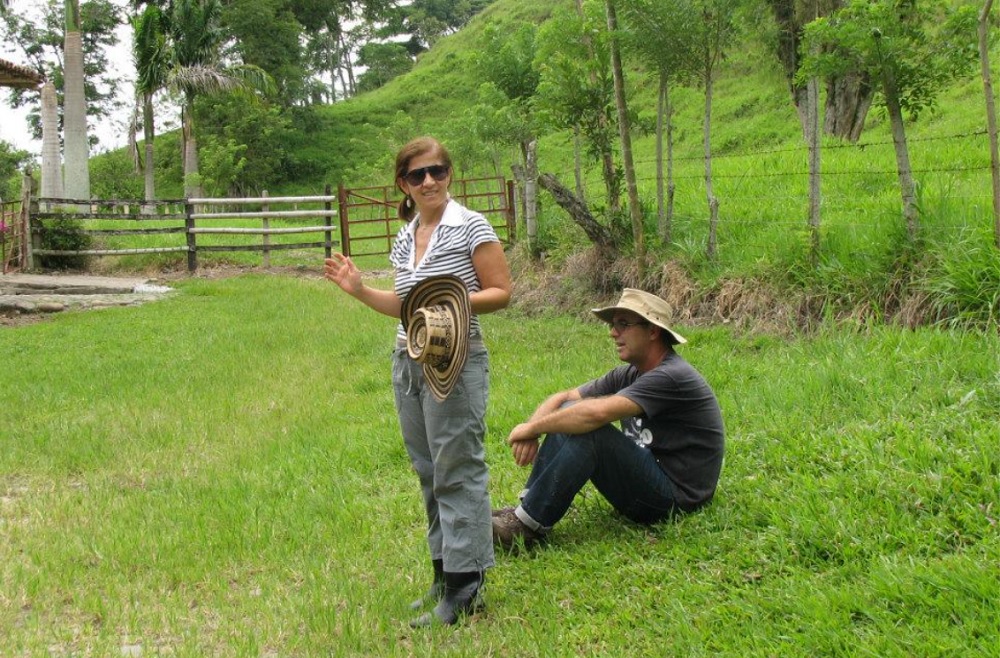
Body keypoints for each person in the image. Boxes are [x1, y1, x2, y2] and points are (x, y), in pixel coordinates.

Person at [323, 136, 512, 626]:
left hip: (456, 358)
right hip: (408, 356)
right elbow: (405, 308)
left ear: (449, 174)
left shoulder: (471, 225)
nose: (429, 181)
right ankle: (442, 573)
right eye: (417, 175)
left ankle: (466, 587)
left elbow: (501, 292)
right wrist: (360, 289)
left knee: (458, 467)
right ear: (403, 184)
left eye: (438, 171)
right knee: (428, 468)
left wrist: (451, 304)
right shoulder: (407, 235)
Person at [492, 288, 724, 547]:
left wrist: (532, 429)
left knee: (589, 429)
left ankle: (527, 529)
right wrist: (532, 428)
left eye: (623, 324)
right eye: (614, 325)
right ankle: (525, 511)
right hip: (650, 480)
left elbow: (595, 414)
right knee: (570, 409)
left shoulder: (671, 375)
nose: (613, 333)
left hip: (675, 498)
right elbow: (564, 397)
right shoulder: (630, 373)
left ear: (653, 332)